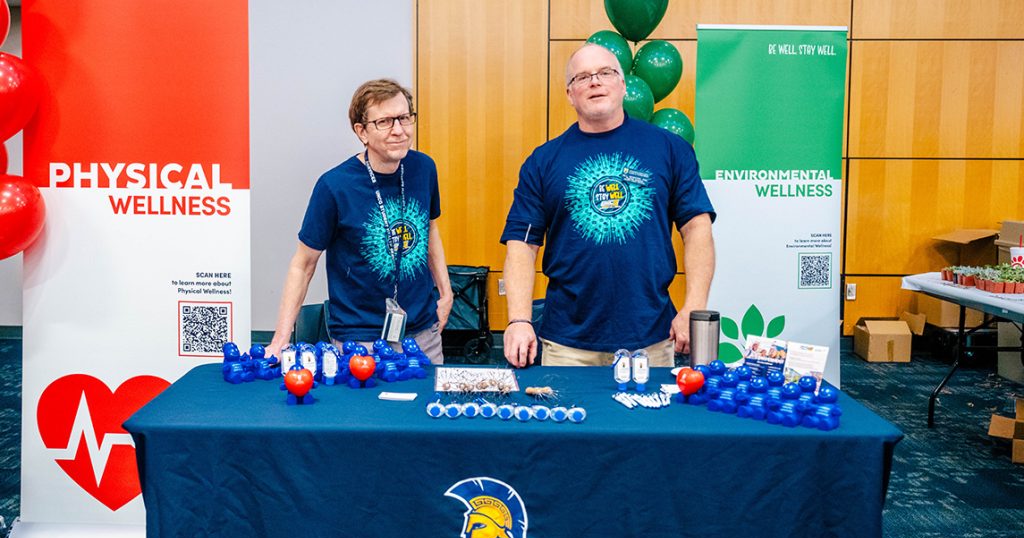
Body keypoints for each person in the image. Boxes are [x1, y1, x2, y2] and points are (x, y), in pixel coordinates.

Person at [501, 43, 715, 368]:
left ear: (623, 84)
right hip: (566, 345)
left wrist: (694, 307)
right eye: (582, 77)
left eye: (605, 73)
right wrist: (519, 320)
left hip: (653, 339)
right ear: (570, 94)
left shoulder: (670, 150)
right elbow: (522, 245)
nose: (595, 82)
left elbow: (697, 228)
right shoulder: (543, 162)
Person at [266, 79, 452, 364]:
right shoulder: (334, 186)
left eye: (404, 118)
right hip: (359, 341)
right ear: (361, 131)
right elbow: (303, 265)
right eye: (385, 122)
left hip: (423, 334)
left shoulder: (424, 168)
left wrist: (446, 292)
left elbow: (430, 228)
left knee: (424, 408)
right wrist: (280, 339)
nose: (399, 131)